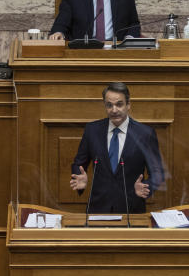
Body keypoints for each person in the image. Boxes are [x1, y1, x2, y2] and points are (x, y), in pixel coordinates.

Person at [69, 81, 165, 214]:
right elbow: (79, 163)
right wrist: (79, 178)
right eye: (109, 105)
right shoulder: (92, 130)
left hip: (131, 209)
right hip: (98, 209)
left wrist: (145, 187)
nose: (114, 110)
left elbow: (157, 173)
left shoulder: (145, 134)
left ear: (128, 105)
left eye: (119, 104)